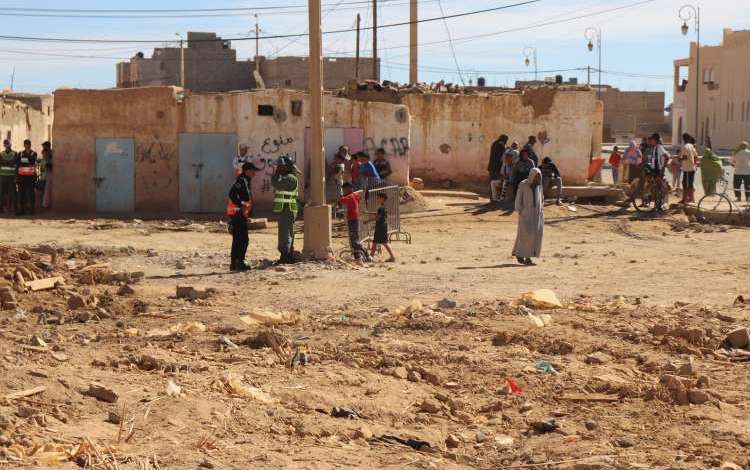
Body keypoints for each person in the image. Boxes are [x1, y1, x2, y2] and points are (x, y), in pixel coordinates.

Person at [227, 162, 258, 272]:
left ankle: (234, 263)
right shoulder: (241, 180)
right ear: (247, 171)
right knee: (243, 239)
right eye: (253, 170)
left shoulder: (245, 180)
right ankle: (240, 262)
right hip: (237, 213)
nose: (254, 173)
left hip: (240, 214)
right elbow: (232, 194)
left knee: (237, 239)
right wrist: (241, 204)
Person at [271, 156, 300, 265]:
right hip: (286, 209)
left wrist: (276, 174)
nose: (278, 168)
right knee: (287, 232)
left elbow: (276, 184)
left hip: (288, 209)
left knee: (285, 233)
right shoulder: (288, 177)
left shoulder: (289, 178)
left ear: (286, 167)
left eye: (280, 166)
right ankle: (288, 255)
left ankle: (286, 256)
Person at [512, 168, 544, 266]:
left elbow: (541, 198)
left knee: (534, 235)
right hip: (526, 213)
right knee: (526, 235)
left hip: (537, 214)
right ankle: (525, 256)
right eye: (536, 177)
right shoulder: (523, 184)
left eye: (539, 177)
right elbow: (518, 198)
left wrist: (541, 211)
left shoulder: (539, 186)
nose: (538, 179)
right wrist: (520, 210)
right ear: (532, 176)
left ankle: (523, 255)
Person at [339, 182, 370, 261]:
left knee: (354, 241)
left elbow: (341, 200)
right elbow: (358, 199)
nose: (344, 191)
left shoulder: (350, 196)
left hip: (352, 220)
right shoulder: (355, 195)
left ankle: (364, 254)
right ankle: (359, 257)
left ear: (348, 188)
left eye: (344, 190)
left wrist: (341, 195)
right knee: (354, 240)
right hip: (354, 219)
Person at [369, 192, 396, 262]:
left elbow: (378, 217)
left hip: (380, 227)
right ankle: (371, 256)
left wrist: (367, 221)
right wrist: (367, 213)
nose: (377, 199)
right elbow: (378, 214)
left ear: (382, 198)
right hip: (382, 226)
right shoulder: (383, 207)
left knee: (381, 242)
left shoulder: (381, 208)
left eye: (378, 198)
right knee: (377, 242)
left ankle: (392, 257)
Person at [16, 139, 37, 216]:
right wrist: (27, 160)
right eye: (26, 144)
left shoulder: (34, 153)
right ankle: (22, 210)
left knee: (31, 193)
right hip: (22, 177)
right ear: (24, 145)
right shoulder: (20, 153)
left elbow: (32, 161)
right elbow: (18, 163)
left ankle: (32, 210)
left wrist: (24, 160)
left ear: (30, 145)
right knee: (22, 194)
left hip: (31, 177)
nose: (27, 145)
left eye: (29, 144)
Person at [488, 134, 508, 202]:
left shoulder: (494, 143)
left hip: (491, 167)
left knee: (492, 183)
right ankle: (495, 199)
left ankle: (492, 198)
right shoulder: (500, 145)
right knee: (496, 183)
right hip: (496, 168)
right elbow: (500, 157)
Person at [679, 133, 698, 204]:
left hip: (687, 168)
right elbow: (696, 156)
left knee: (685, 184)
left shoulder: (685, 147)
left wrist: (680, 159)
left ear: (683, 139)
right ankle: (691, 199)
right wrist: (694, 165)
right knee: (690, 184)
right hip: (692, 168)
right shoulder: (692, 146)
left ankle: (685, 199)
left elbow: (685, 157)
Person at [0, 139, 17, 214]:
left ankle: (14, 208)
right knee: (1, 193)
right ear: (4, 145)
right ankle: (1, 208)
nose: (7, 145)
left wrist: (5, 162)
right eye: (6, 143)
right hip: (2, 176)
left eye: (8, 143)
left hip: (11, 176)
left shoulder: (15, 153)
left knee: (13, 193)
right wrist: (9, 163)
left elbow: (15, 163)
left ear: (11, 144)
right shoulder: (1, 153)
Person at [40, 141, 53, 209]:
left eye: (44, 146)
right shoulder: (45, 156)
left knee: (47, 190)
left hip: (48, 175)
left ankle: (45, 204)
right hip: (44, 175)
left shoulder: (50, 155)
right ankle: (45, 203)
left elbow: (49, 166)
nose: (43, 148)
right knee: (44, 189)